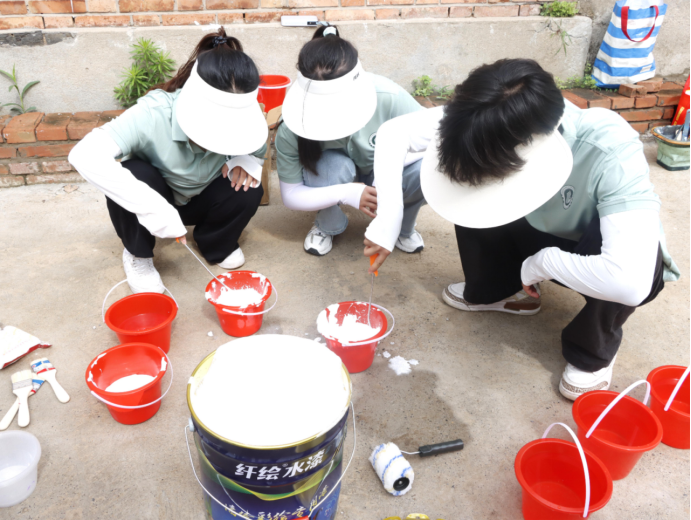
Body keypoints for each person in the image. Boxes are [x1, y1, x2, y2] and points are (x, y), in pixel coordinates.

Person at [365, 59, 680, 400]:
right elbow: (394, 134)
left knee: (628, 253)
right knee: (471, 196)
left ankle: (592, 352)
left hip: (589, 250)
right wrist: (388, 221)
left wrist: (542, 263)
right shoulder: (483, 116)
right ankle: (501, 291)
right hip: (533, 227)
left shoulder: (607, 144)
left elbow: (629, 281)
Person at [70, 28, 268, 294]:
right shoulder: (153, 114)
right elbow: (83, 154)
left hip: (202, 198)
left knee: (249, 187)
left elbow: (258, 144)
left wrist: (247, 159)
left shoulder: (246, 114)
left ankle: (216, 243)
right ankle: (138, 253)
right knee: (134, 172)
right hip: (158, 199)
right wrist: (152, 208)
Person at [276, 24, 426, 257]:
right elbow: (291, 194)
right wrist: (346, 192)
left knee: (424, 169)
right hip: (339, 174)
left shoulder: (388, 96)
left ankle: (402, 226)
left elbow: (433, 142)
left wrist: (388, 172)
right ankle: (328, 224)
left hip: (381, 171)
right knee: (331, 166)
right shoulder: (292, 125)